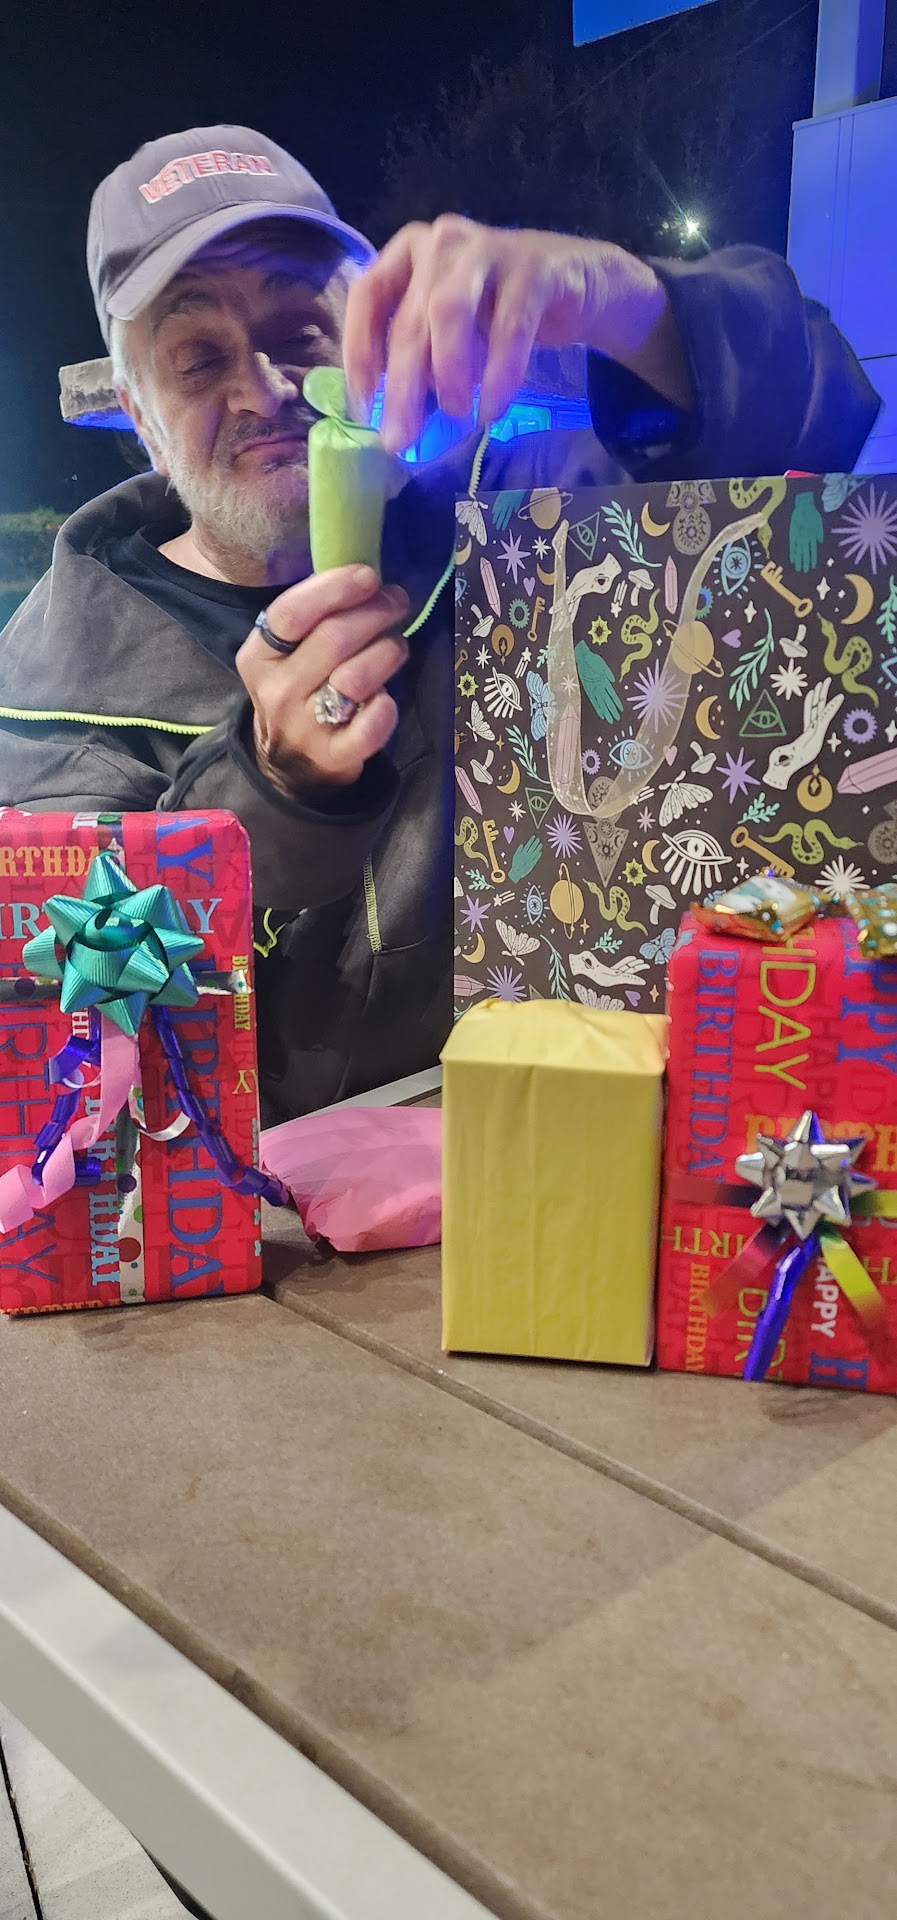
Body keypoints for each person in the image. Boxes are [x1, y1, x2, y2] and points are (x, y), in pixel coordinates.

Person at [0, 124, 880, 1122]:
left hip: (571, 1144)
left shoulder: (512, 523)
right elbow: (83, 1046)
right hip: (289, 1217)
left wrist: (622, 302)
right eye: (198, 360)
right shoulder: (49, 698)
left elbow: (813, 422)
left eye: (299, 335)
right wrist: (271, 786)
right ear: (139, 416)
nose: (266, 390)